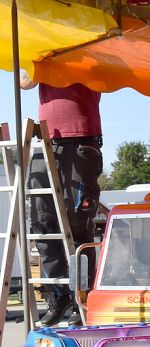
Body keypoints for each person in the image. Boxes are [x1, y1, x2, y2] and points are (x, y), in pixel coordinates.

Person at [19, 73, 103, 327]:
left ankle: (83, 295)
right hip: (45, 138)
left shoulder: (88, 46)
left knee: (77, 221)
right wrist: (41, 61)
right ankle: (59, 294)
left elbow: (102, 79)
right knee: (41, 221)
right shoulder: (43, 50)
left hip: (80, 139)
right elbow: (25, 82)